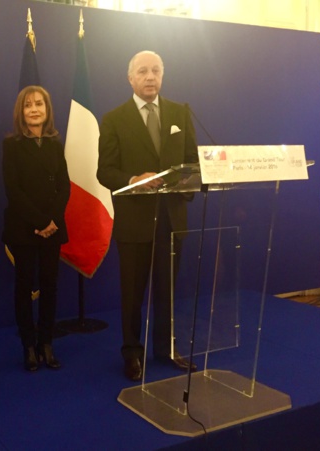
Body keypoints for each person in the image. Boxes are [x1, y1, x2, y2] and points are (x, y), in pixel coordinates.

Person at [97, 50, 199, 381]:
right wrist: (130, 181)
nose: (150, 76)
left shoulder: (180, 112)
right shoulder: (114, 118)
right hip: (135, 222)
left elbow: (192, 162)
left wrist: (187, 186)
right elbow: (104, 171)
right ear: (131, 78)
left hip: (172, 219)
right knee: (133, 293)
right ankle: (132, 354)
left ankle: (166, 348)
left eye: (156, 70)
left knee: (167, 291)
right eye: (143, 71)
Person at [2, 86, 70, 371]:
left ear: (47, 109)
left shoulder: (55, 142)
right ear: (21, 111)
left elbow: (64, 185)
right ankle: (28, 346)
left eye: (39, 104)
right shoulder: (12, 144)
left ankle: (46, 343)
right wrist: (40, 222)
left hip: (53, 228)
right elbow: (13, 189)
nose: (34, 109)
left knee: (51, 286)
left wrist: (52, 220)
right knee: (24, 287)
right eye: (28, 105)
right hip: (24, 228)